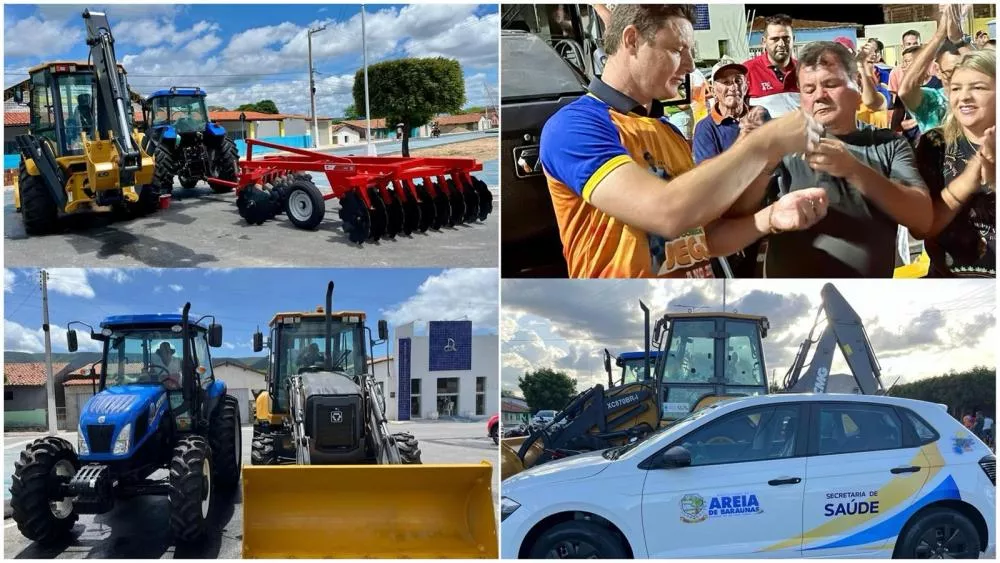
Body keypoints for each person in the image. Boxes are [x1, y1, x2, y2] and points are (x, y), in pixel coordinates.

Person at [539, 5, 830, 278]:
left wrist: (770, 216)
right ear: (631, 40)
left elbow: (706, 235)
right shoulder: (573, 127)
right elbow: (666, 212)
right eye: (678, 50)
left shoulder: (669, 132)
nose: (690, 66)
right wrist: (763, 142)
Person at [754, 41, 932, 277]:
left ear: (857, 85)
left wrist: (853, 170)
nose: (819, 96)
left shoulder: (887, 144)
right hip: (791, 299)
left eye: (830, 84)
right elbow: (740, 216)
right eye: (808, 89)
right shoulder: (782, 146)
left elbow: (922, 221)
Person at [911, 50, 995, 277]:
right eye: (956, 88)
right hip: (950, 281)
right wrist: (969, 180)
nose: (964, 96)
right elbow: (922, 228)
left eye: (978, 88)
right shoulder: (935, 143)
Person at [899, 6, 973, 133]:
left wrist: (958, 40)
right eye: (949, 73)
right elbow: (905, 91)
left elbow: (989, 74)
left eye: (962, 71)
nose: (956, 79)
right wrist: (939, 35)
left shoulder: (978, 97)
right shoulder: (934, 99)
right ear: (938, 71)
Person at [745, 14, 800, 117]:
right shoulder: (747, 71)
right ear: (764, 42)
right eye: (775, 39)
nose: (781, 44)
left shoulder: (804, 71)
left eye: (786, 38)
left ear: (793, 39)